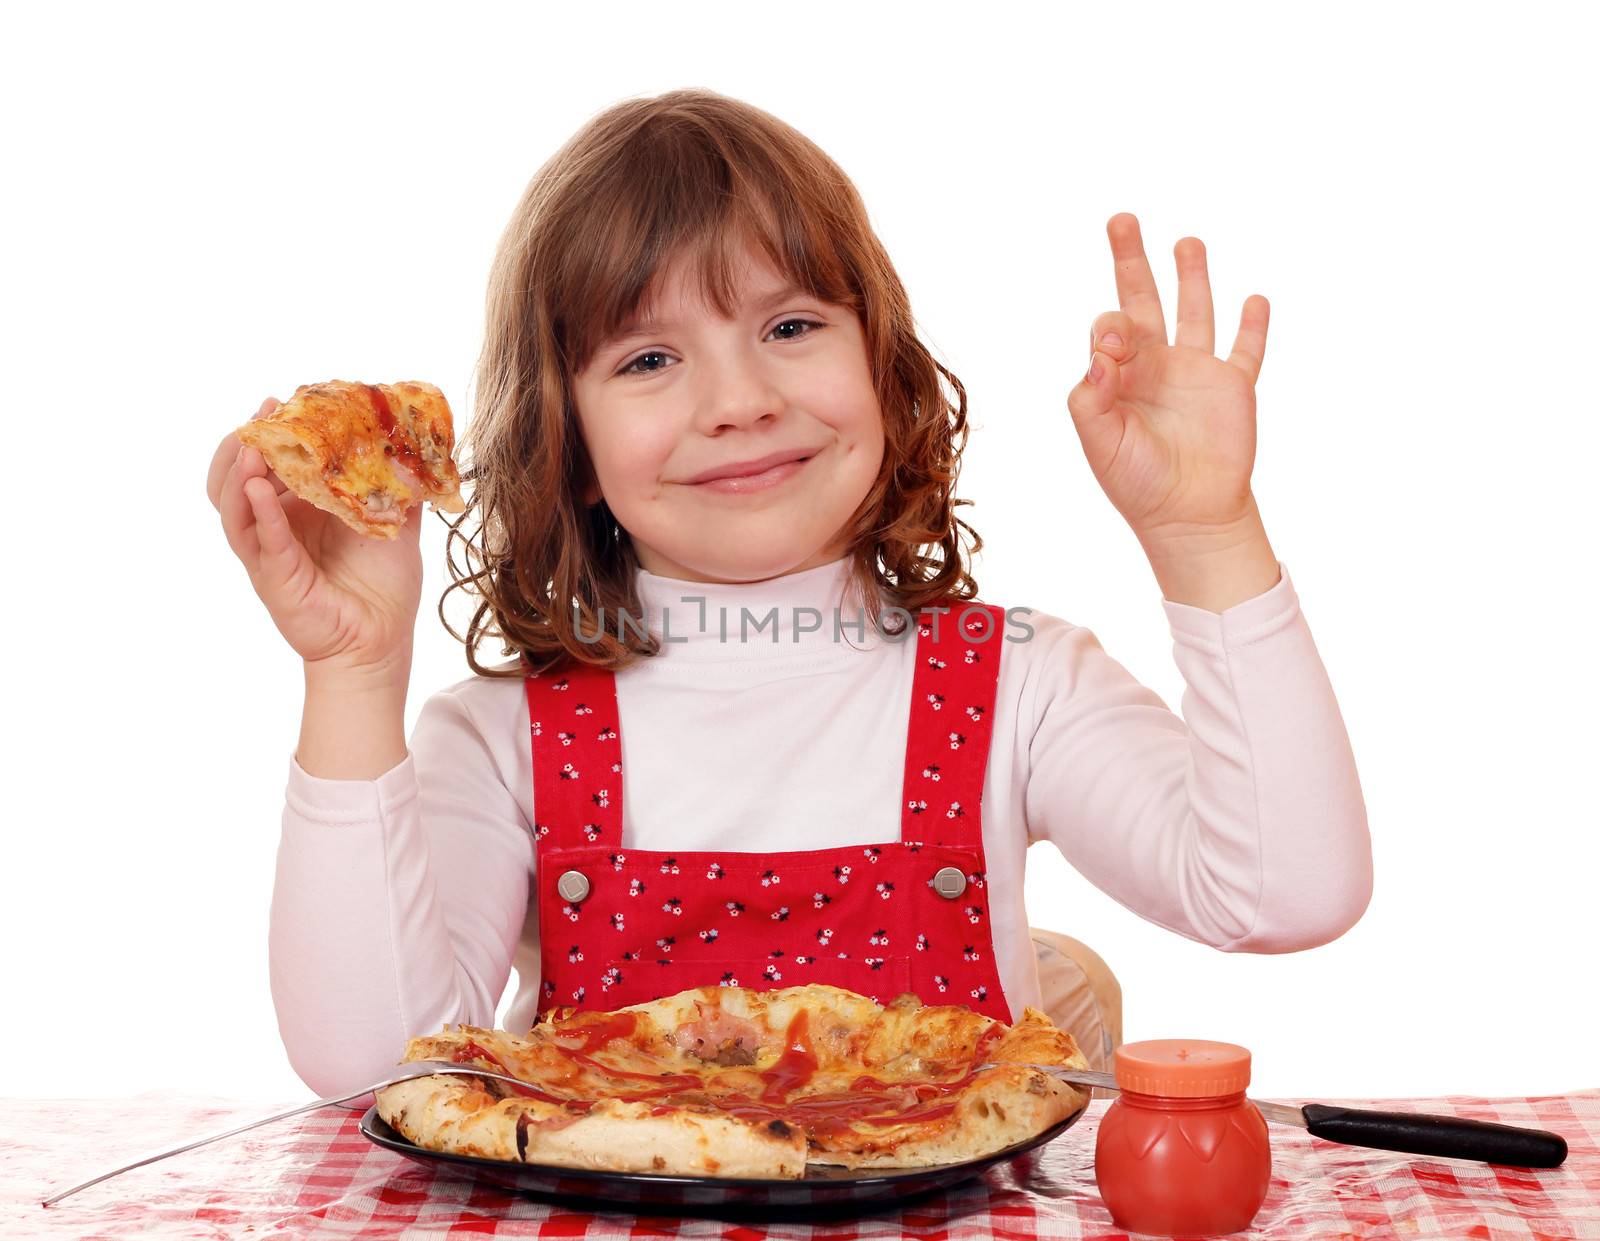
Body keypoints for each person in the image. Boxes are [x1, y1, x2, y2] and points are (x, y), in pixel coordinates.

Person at [206, 89, 1371, 1103]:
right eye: (648, 359)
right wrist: (353, 675)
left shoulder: (1019, 682)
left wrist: (1205, 534)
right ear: (566, 439)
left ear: (884, 363)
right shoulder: (501, 738)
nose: (742, 398)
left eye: (791, 324)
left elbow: (1283, 893)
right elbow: (371, 1062)